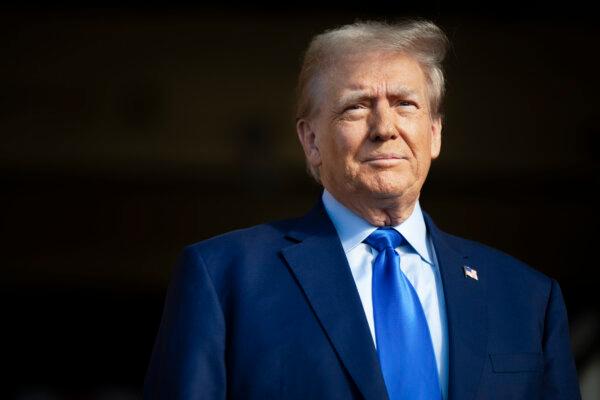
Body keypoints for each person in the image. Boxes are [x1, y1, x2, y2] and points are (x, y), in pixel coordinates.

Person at [144, 20, 581, 399]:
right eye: (357, 107)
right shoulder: (223, 279)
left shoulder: (527, 297)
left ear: (435, 133)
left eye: (405, 104)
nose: (385, 129)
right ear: (311, 141)